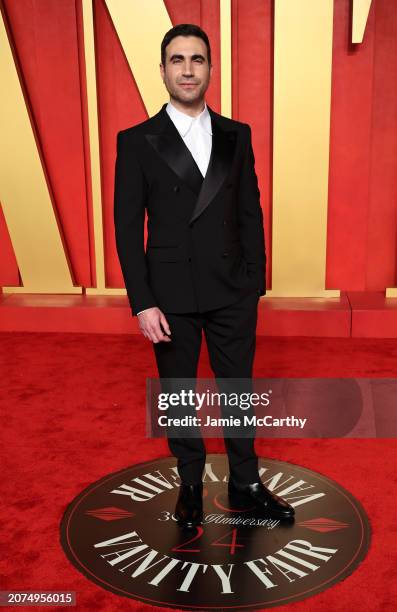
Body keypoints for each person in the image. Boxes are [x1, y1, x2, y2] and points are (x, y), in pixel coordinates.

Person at [114, 23, 294, 528]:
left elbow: (249, 213)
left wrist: (253, 284)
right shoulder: (137, 141)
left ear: (211, 69)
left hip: (232, 289)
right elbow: (127, 229)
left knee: (238, 389)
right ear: (164, 70)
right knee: (178, 394)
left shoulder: (239, 134)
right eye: (177, 60)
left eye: (197, 59)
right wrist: (142, 302)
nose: (188, 69)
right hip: (169, 293)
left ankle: (246, 482)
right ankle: (189, 485)